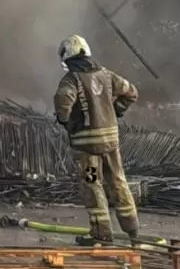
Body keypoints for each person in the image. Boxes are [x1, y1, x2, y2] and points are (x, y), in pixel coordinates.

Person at [53, 35, 140, 245]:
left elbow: (63, 101)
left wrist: (67, 123)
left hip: (88, 148)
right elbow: (132, 92)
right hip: (110, 143)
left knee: (93, 184)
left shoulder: (71, 79)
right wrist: (117, 111)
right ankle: (132, 229)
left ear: (67, 57)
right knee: (118, 180)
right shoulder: (107, 75)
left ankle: (101, 234)